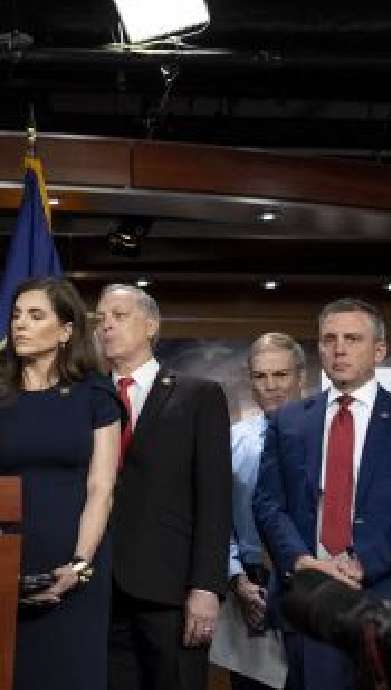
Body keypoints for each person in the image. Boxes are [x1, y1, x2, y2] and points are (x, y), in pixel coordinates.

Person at [252, 298, 391, 690]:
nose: (339, 348)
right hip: (312, 598)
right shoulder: (289, 420)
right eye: (329, 339)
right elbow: (268, 502)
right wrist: (302, 561)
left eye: (352, 338)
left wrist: (361, 564)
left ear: (379, 350)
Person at [0, 278, 122, 690]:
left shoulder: (96, 395)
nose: (21, 325)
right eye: (16, 315)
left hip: (76, 560)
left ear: (66, 331)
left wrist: (80, 565)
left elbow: (101, 487)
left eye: (36, 316)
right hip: (7, 559)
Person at [96, 283, 231, 690]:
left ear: (151, 325)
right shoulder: (86, 396)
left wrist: (206, 586)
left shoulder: (198, 395)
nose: (106, 326)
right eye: (100, 319)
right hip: (99, 590)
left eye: (118, 317)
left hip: (171, 591)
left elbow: (215, 499)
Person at [214, 333, 306, 690]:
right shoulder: (231, 442)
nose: (271, 386)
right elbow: (215, 520)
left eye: (281, 375)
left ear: (301, 376)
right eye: (261, 377)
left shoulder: (329, 439)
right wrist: (236, 579)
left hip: (314, 584)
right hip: (251, 586)